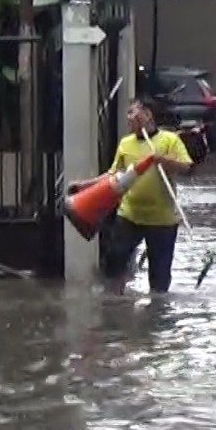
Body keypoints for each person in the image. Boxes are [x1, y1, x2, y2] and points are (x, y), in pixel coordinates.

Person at [73, 99, 193, 296]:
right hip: (129, 215)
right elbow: (113, 175)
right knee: (115, 262)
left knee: (160, 277)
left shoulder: (169, 140)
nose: (129, 118)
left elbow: (186, 167)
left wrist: (162, 160)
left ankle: (156, 315)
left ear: (148, 115)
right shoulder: (125, 143)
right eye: (128, 113)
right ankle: (114, 303)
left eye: (133, 113)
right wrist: (84, 185)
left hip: (162, 220)